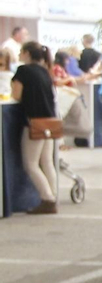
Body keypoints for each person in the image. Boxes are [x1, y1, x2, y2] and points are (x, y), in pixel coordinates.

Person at [11, 41, 60, 215]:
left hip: (34, 122)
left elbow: (16, 95)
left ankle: (47, 199)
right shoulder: (45, 71)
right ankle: (53, 195)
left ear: (26, 53)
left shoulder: (23, 71)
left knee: (30, 164)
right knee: (46, 161)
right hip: (50, 122)